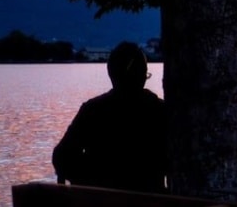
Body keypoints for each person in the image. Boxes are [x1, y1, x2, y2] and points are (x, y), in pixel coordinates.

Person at [53, 41, 167, 193]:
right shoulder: (160, 111)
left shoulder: (92, 110)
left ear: (111, 74)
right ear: (142, 75)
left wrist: (91, 181)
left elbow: (62, 157)